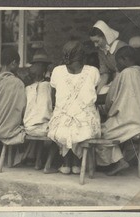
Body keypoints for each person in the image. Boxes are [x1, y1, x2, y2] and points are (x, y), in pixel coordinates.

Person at [97, 46, 140, 175]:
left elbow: (110, 99)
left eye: (118, 61)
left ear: (125, 59)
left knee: (99, 132)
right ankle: (121, 159)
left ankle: (117, 161)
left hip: (132, 124)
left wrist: (104, 107)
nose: (117, 65)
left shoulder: (125, 73)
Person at [47, 40, 101, 175]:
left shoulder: (57, 71)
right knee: (79, 122)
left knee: (65, 122)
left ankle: (66, 164)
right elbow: (93, 93)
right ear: (83, 55)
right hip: (86, 125)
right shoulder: (93, 71)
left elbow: (54, 96)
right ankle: (77, 165)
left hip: (61, 125)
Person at [89, 20, 127, 94]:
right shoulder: (101, 51)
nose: (95, 45)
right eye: (93, 42)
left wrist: (112, 88)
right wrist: (96, 93)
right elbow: (105, 74)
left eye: (97, 41)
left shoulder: (121, 47)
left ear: (105, 36)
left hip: (126, 81)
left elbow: (121, 73)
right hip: (116, 81)